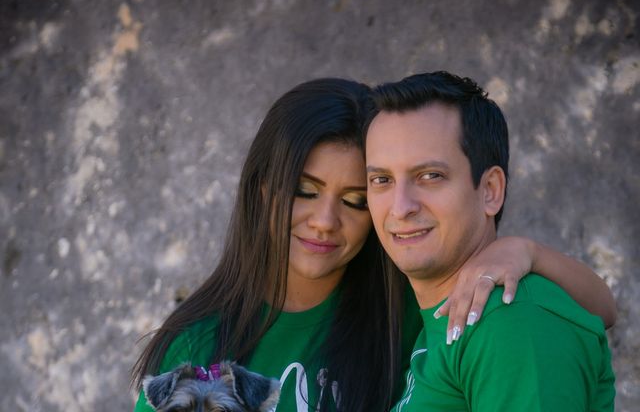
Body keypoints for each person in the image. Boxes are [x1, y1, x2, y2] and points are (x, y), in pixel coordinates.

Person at [132, 78, 616, 412]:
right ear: (263, 190)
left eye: (356, 198)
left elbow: (597, 312)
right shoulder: (197, 345)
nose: (324, 222)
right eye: (304, 191)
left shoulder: (417, 303)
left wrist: (523, 250)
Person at [365, 71, 616, 411]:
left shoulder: (512, 321)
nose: (400, 207)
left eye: (430, 176)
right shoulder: (437, 316)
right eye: (381, 179)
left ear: (490, 191)